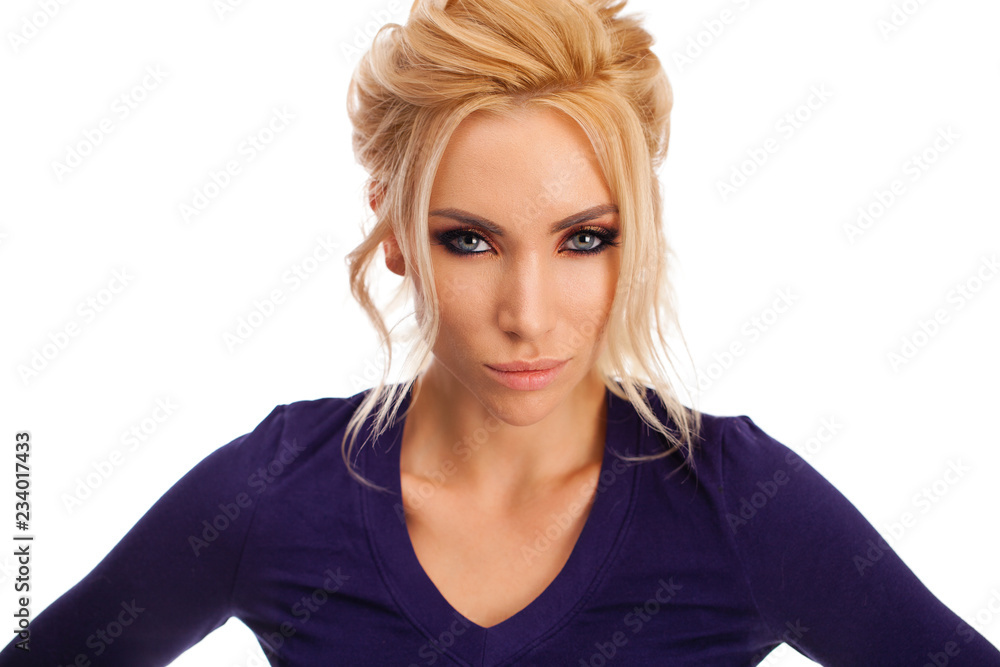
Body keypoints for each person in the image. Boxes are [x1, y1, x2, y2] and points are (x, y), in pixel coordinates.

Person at [2, 0, 998, 664]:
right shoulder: (272, 495)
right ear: (396, 233)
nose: (528, 313)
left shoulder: (737, 503)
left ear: (639, 234)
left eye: (584, 239)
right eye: (470, 240)